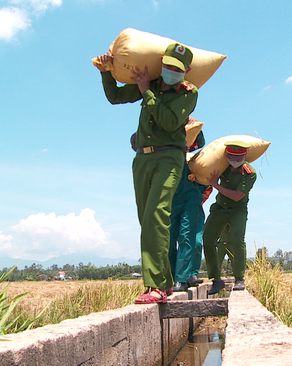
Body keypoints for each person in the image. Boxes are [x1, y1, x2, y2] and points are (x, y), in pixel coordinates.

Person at [95, 42, 199, 304]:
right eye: (166, 66)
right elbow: (115, 97)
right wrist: (106, 71)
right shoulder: (149, 83)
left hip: (169, 157)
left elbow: (169, 121)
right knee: (147, 220)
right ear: (161, 63)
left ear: (185, 72)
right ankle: (164, 284)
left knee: (156, 215)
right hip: (142, 159)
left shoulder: (188, 93)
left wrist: (146, 93)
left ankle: (153, 286)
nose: (170, 72)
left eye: (176, 69)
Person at [203, 141, 257, 294]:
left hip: (237, 210)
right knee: (208, 240)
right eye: (231, 157)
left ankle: (239, 278)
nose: (234, 160)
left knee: (238, 240)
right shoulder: (222, 166)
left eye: (238, 158)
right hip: (219, 209)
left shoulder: (249, 173)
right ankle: (216, 279)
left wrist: (216, 185)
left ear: (244, 156)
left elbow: (237, 196)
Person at [169, 124, 213, 292]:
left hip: (190, 201)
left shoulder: (193, 161)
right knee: (169, 239)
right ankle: (174, 276)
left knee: (189, 238)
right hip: (172, 201)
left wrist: (194, 125)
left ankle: (183, 277)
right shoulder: (167, 157)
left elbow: (199, 141)